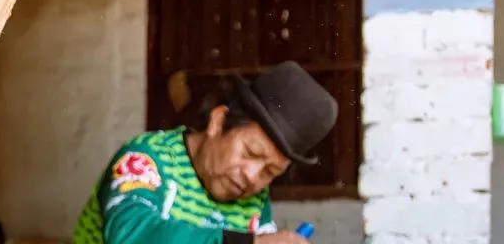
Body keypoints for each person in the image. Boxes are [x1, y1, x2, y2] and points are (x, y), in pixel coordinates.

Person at [72, 61, 339, 244]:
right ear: (218, 122)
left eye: (271, 172)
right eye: (250, 152)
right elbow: (131, 234)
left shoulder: (254, 201)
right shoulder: (147, 160)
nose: (253, 177)